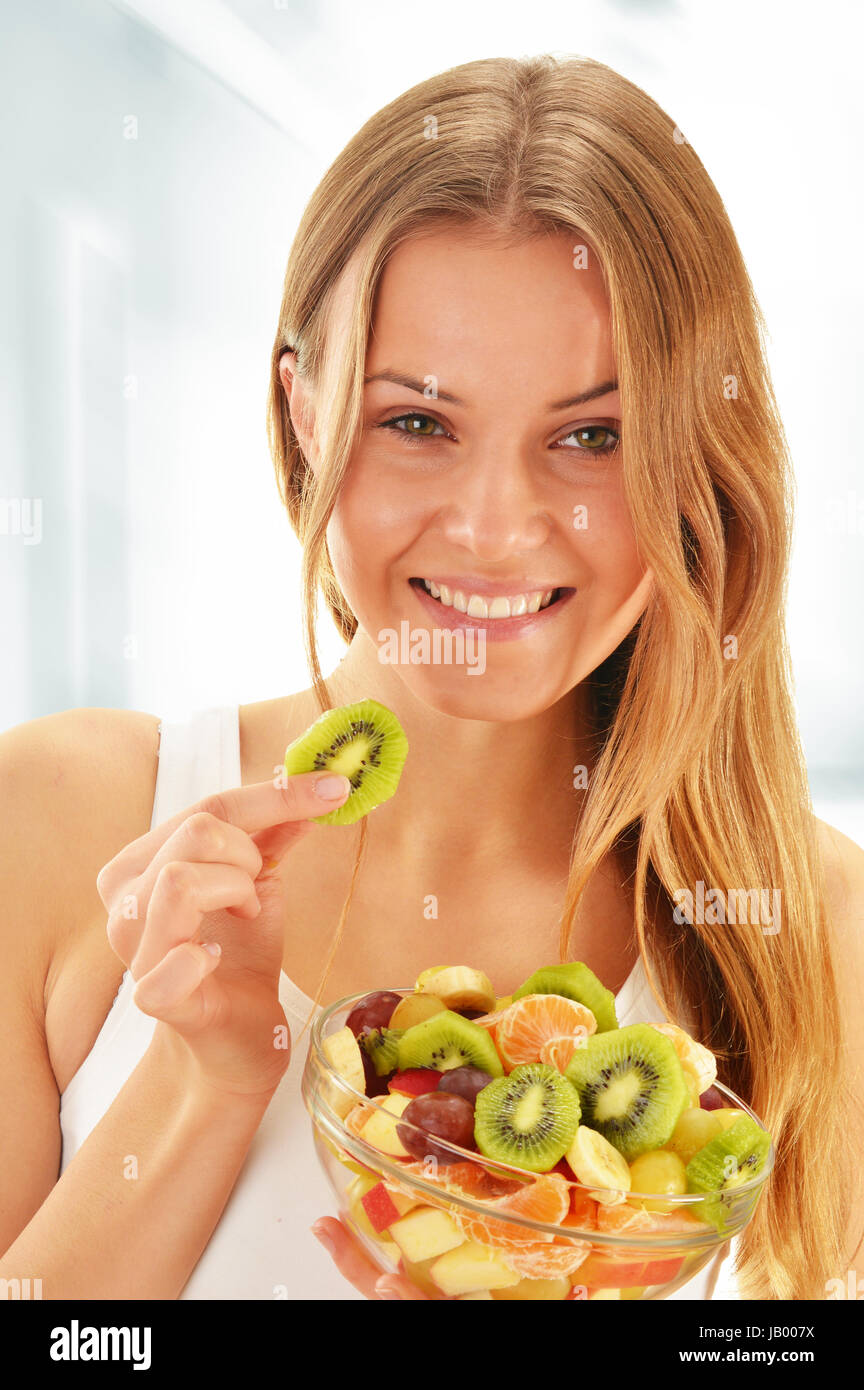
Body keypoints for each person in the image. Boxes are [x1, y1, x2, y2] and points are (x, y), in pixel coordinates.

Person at [1, 53, 861, 1303]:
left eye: (592, 437)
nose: (495, 529)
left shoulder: (818, 939)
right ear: (309, 414)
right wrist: (200, 1090)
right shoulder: (54, 819)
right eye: (418, 422)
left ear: (694, 457)